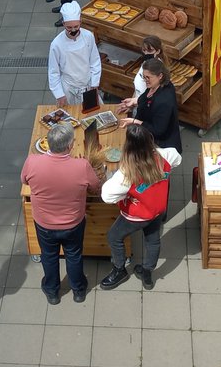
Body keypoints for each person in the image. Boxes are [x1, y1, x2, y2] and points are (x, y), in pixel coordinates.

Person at [21, 121, 101, 304]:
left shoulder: (32, 161)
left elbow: (24, 180)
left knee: (48, 256)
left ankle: (52, 292)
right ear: (70, 145)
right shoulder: (82, 166)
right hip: (73, 223)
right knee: (74, 255)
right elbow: (96, 187)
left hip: (44, 223)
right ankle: (78, 290)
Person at [99, 124, 182, 290]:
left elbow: (107, 196)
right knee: (153, 241)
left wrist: (125, 193)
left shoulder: (127, 173)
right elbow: (177, 159)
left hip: (135, 216)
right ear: (149, 140)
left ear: (128, 147)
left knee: (114, 237)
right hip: (157, 210)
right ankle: (147, 272)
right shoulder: (165, 155)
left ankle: (119, 269)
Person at [119, 58, 183, 152]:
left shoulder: (164, 101)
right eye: (144, 77)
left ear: (160, 76)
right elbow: (147, 97)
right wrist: (135, 101)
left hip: (160, 145)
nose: (145, 80)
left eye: (148, 77)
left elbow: (158, 130)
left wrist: (135, 121)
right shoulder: (156, 85)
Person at [48, 2, 102, 105]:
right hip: (68, 89)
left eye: (76, 26)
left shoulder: (88, 36)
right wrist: (59, 94)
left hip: (88, 86)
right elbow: (53, 72)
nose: (73, 30)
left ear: (81, 22)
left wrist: (94, 83)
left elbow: (95, 61)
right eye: (69, 27)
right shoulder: (56, 44)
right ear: (63, 24)